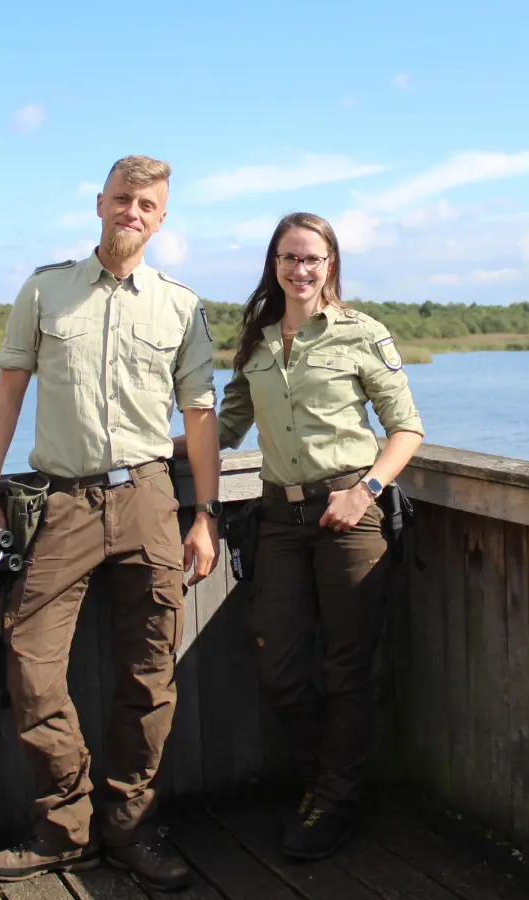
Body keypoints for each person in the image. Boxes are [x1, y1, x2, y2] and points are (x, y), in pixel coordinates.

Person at [0, 154, 223, 891]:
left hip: (148, 498)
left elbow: (200, 419)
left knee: (150, 672)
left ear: (161, 219)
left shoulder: (180, 307)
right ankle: (64, 827)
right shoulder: (45, 290)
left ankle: (130, 827)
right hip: (64, 502)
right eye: (122, 199)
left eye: (146, 204)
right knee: (29, 657)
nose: (131, 212)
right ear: (100, 203)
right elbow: (6, 396)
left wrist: (205, 516)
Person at [176, 211, 424, 860]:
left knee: (346, 670)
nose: (300, 269)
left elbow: (406, 429)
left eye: (312, 258)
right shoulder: (258, 341)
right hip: (280, 522)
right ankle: (326, 780)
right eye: (289, 257)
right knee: (278, 665)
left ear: (330, 264)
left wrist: (366, 489)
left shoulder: (361, 333)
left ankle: (333, 800)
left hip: (351, 516)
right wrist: (151, 450)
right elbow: (226, 427)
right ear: (274, 264)